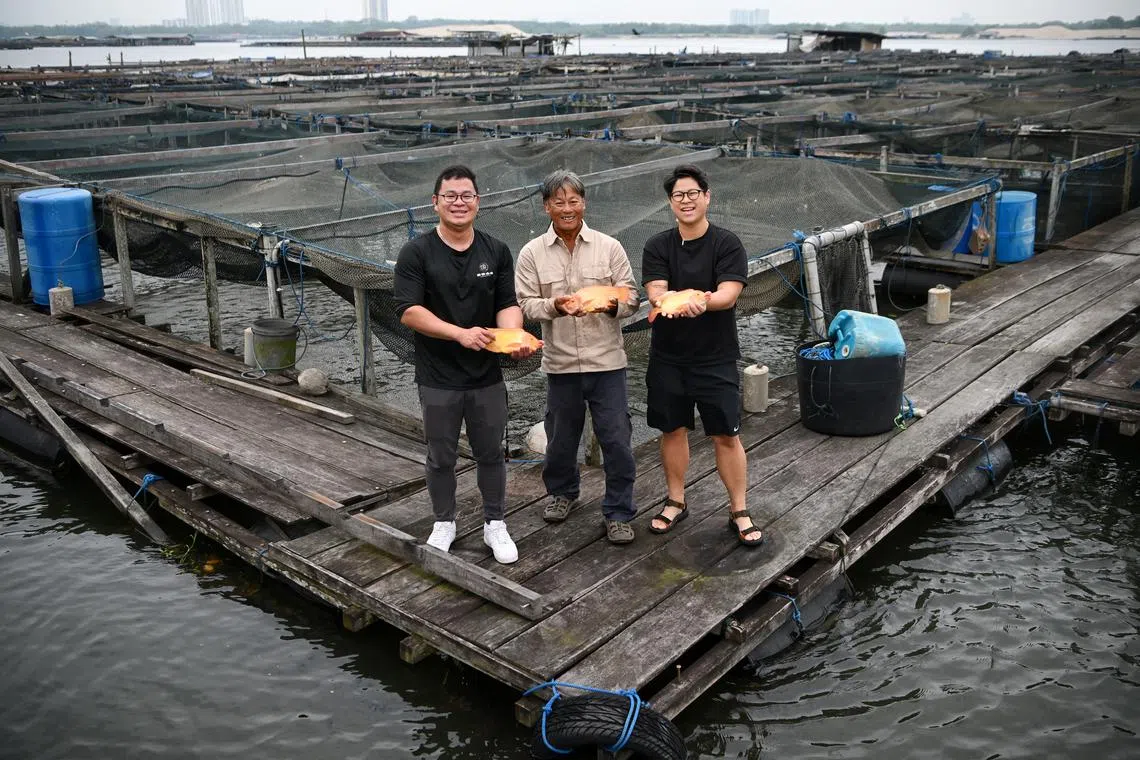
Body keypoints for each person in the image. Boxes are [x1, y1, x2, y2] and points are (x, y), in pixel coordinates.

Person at [393, 165, 537, 564]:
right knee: (441, 454)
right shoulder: (416, 252)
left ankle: (495, 523)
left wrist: (513, 339)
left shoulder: (496, 250)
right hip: (438, 375)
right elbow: (408, 311)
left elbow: (508, 305)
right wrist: (459, 334)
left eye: (467, 196)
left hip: (486, 376)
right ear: (435, 202)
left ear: (478, 201)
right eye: (451, 196)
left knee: (491, 451)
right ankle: (445, 521)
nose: (459, 203)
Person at [641, 164, 763, 547]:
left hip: (716, 356)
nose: (687, 200)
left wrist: (699, 302)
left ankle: (738, 509)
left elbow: (727, 295)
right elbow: (657, 293)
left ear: (707, 197)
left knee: (726, 433)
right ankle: (676, 500)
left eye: (693, 193)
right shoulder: (657, 245)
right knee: (672, 429)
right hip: (668, 357)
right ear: (670, 203)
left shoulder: (727, 243)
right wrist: (668, 301)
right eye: (679, 195)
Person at [516, 170, 640, 545]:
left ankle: (618, 512)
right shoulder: (531, 253)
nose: (566, 208)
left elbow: (632, 297)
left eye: (573, 200)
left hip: (608, 364)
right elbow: (525, 305)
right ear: (546, 206)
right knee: (560, 439)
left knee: (617, 439)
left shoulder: (610, 247)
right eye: (558, 201)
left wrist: (609, 304)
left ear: (584, 203)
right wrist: (556, 306)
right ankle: (562, 494)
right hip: (561, 365)